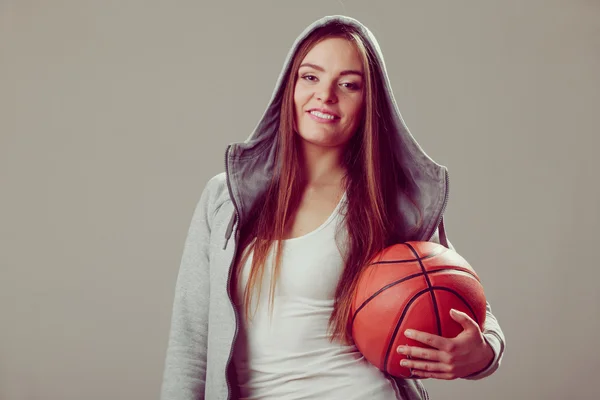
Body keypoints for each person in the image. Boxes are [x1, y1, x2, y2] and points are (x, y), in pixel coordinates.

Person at [160, 15, 505, 400]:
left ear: (369, 101)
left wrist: (484, 352)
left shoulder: (387, 202)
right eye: (310, 77)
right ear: (288, 88)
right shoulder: (226, 199)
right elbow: (189, 347)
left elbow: (469, 299)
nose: (326, 95)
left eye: (348, 84)